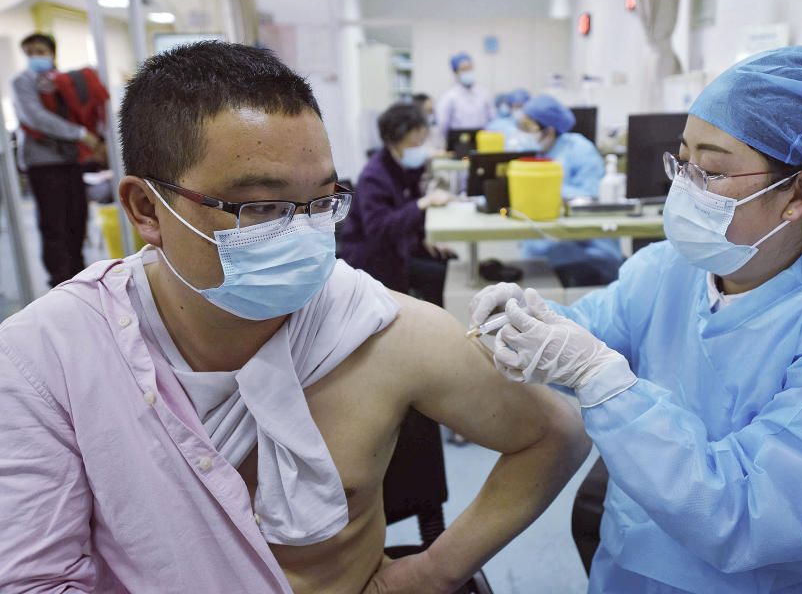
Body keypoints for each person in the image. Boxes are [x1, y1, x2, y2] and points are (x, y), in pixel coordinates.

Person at [0, 42, 591, 594]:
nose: (304, 234)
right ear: (146, 209)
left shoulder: (376, 329)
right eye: (260, 205)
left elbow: (555, 434)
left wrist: (435, 571)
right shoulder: (49, 358)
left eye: (321, 202)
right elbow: (34, 579)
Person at [470, 46, 802, 593]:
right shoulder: (669, 269)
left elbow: (748, 517)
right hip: (654, 553)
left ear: (799, 193)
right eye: (682, 162)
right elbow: (594, 331)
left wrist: (600, 380)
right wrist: (536, 322)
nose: (685, 188)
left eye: (714, 171)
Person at [339, 102, 457, 307]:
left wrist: (423, 240)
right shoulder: (374, 177)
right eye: (414, 144)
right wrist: (422, 204)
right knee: (439, 275)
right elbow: (379, 229)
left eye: (422, 141)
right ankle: (435, 327)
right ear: (393, 143)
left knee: (449, 260)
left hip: (397, 245)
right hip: (372, 258)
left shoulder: (404, 166)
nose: (420, 149)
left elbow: (406, 209)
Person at [11, 32, 105, 287]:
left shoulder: (63, 82)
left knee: (77, 219)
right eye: (29, 52)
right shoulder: (23, 81)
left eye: (40, 50)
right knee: (54, 226)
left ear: (52, 53)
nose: (35, 56)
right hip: (43, 164)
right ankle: (60, 282)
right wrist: (81, 134)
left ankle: (79, 278)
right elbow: (35, 117)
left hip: (71, 162)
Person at [516, 93, 623, 286]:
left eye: (528, 127)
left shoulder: (580, 149)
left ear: (549, 130)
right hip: (542, 250)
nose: (524, 134)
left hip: (586, 253)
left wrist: (544, 190)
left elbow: (591, 196)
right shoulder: (537, 153)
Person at [435, 52, 494, 140]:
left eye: (469, 68)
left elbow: (492, 118)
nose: (467, 71)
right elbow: (442, 125)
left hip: (483, 140)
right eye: (463, 69)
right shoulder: (448, 97)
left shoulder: (484, 93)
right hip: (458, 142)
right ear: (456, 72)